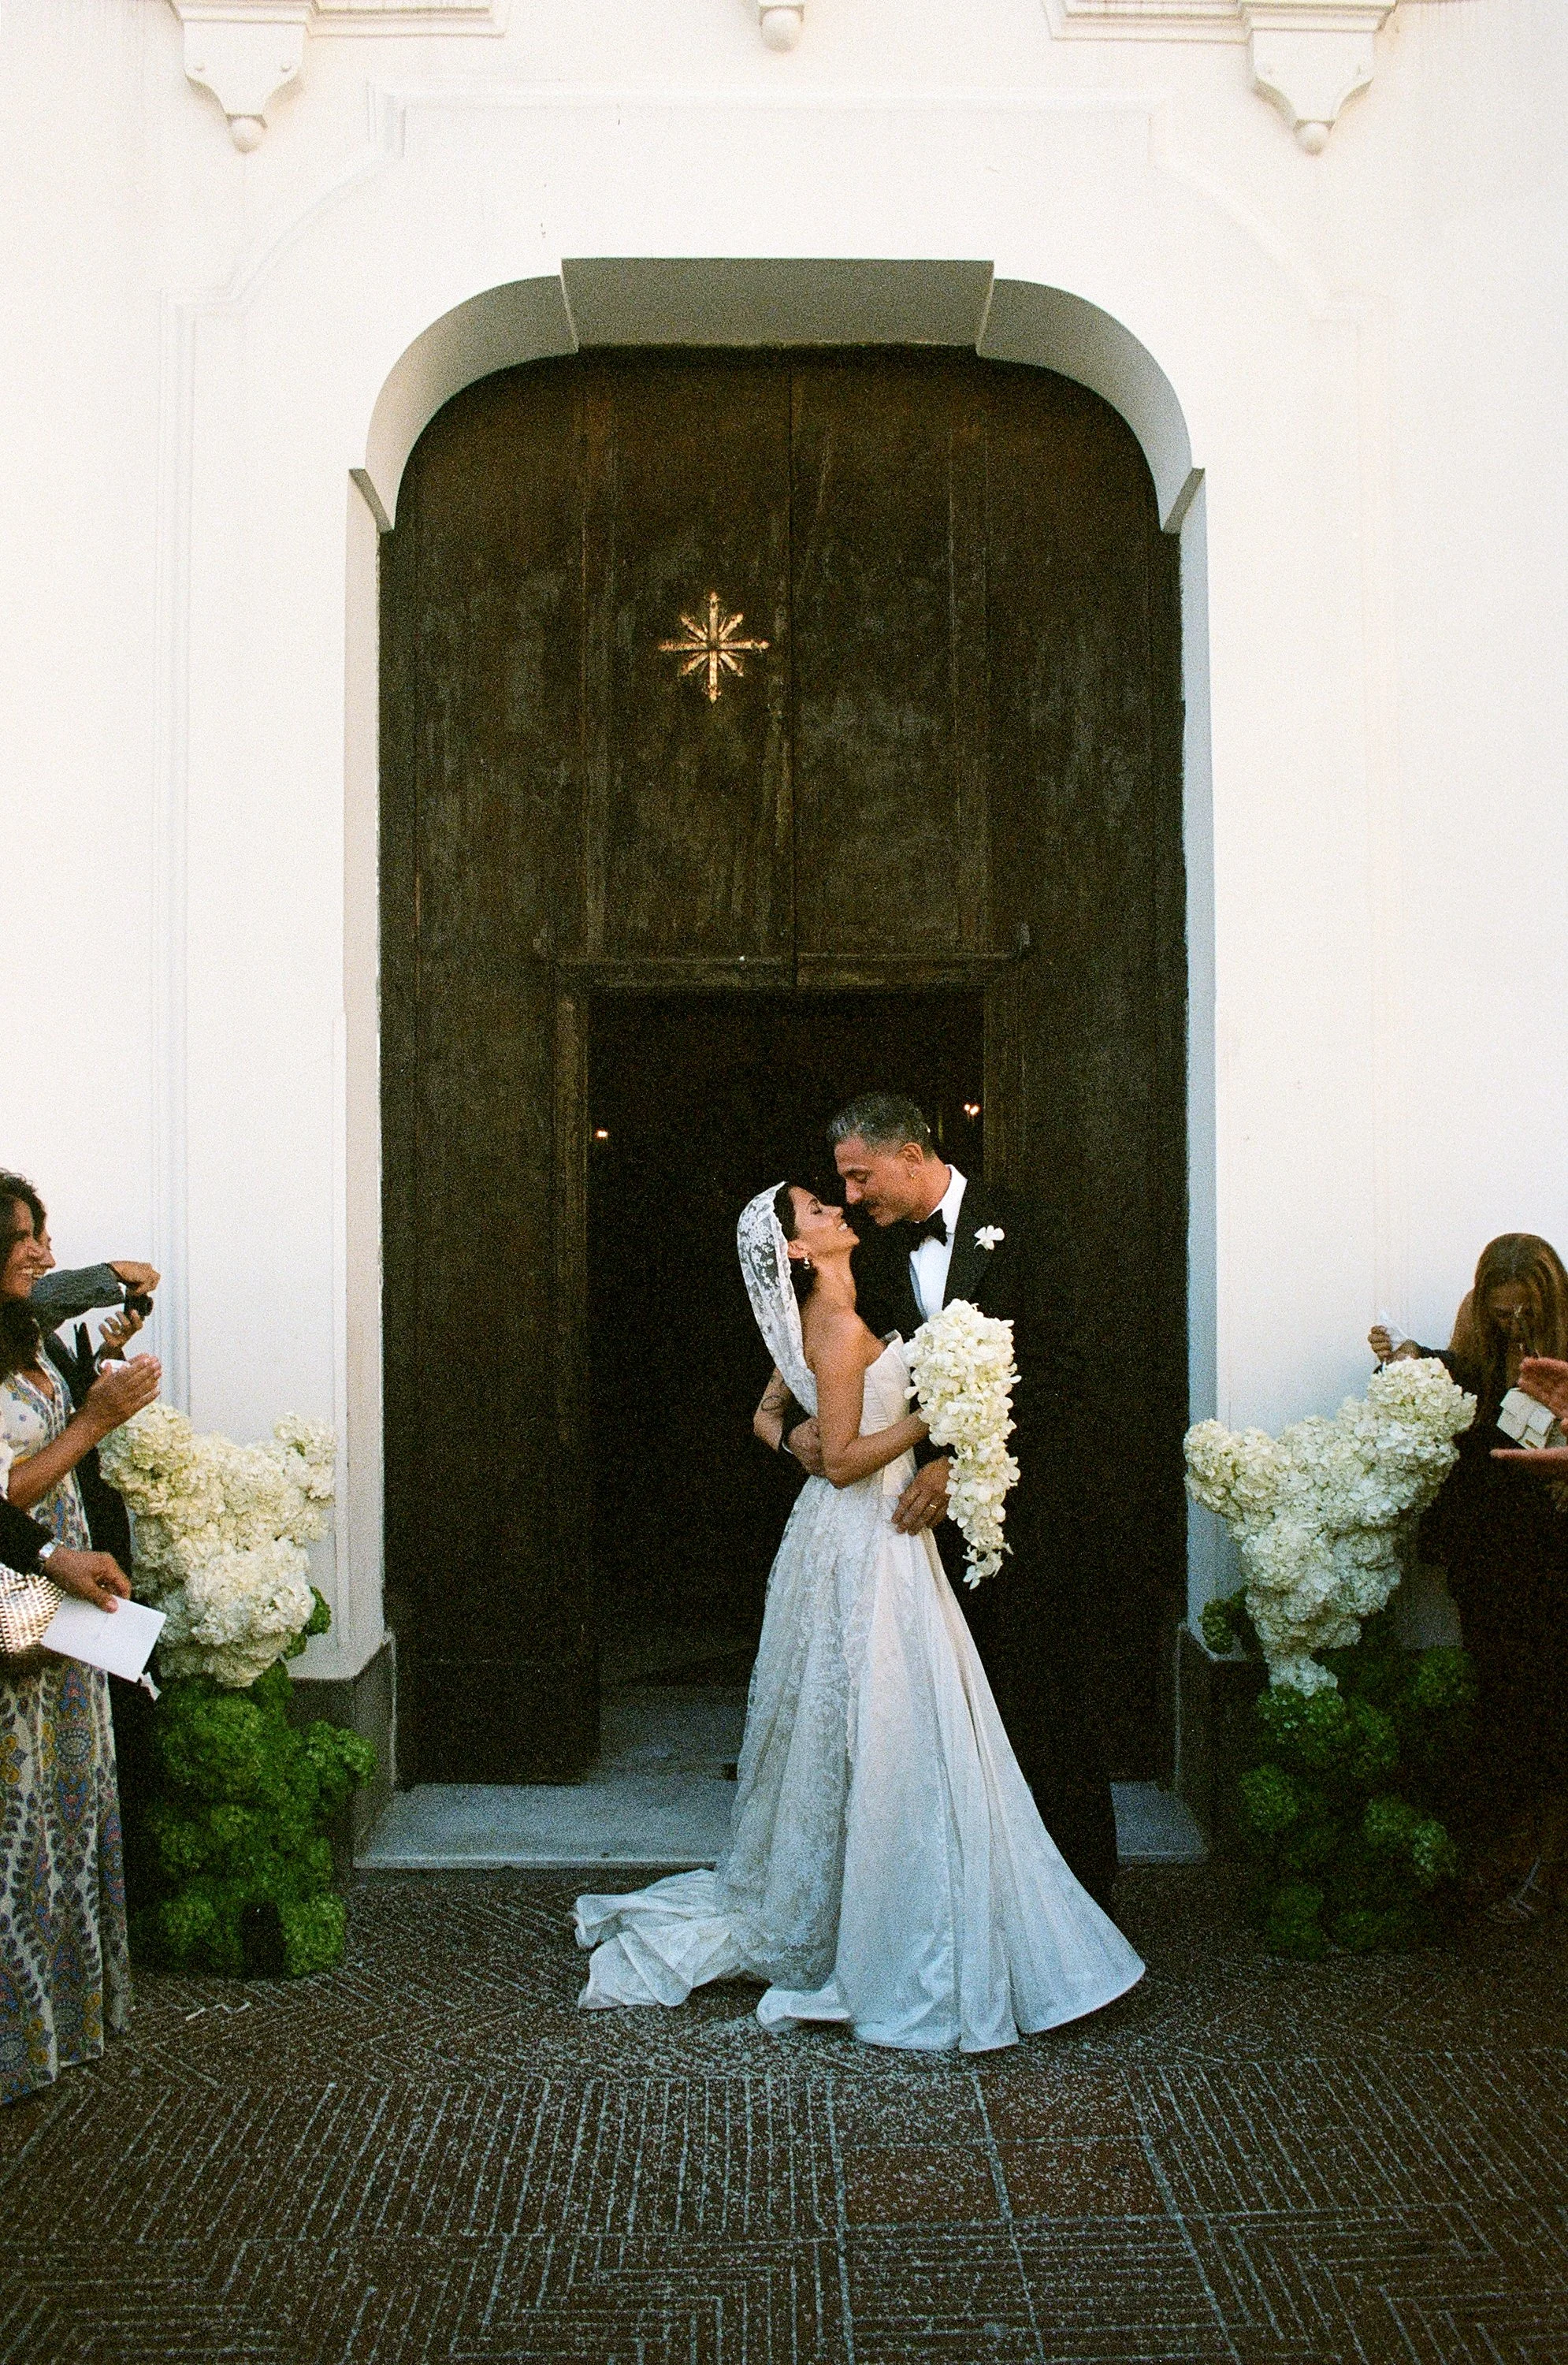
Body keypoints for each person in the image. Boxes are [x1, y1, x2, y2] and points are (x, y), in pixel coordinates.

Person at [573, 1181, 1143, 2051]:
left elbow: (770, 1414)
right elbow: (839, 1460)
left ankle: (896, 1893)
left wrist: (788, 1438)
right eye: (816, 1208)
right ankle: (894, 1916)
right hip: (864, 1529)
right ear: (795, 1251)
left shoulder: (846, 1301)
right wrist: (933, 1416)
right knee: (883, 1717)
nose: (839, 1206)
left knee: (876, 1717)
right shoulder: (831, 1323)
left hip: (868, 1535)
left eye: (840, 1192)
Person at [787, 1092, 1120, 1910]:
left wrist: (964, 1460)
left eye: (861, 1177)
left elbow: (1067, 1367)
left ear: (910, 1154)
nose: (854, 1198)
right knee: (947, 1712)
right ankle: (970, 1900)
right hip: (917, 1531)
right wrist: (792, 1432)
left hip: (1032, 1511)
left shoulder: (1029, 1226)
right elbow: (850, 1380)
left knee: (1045, 1699)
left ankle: (1078, 1898)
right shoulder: (864, 1257)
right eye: (845, 1185)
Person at [0, 1173, 159, 2103]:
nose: (42, 1252)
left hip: (56, 1581)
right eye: (20, 1237)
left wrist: (103, 1363)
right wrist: (98, 1418)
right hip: (18, 1593)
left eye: (41, 1233)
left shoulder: (28, 1335)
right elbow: (8, 1488)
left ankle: (59, 2017)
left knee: (66, 1812)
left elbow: (54, 1440)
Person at [1399, 1236, 1568, 1917]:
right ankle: (1519, 1852)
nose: (1513, 1325)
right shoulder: (1481, 1345)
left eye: (1524, 1312)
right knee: (1503, 1710)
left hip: (1555, 1560)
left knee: (1551, 1714)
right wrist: (1410, 1358)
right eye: (1501, 1313)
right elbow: (1459, 1382)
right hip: (1493, 1565)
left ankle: (1547, 1862)